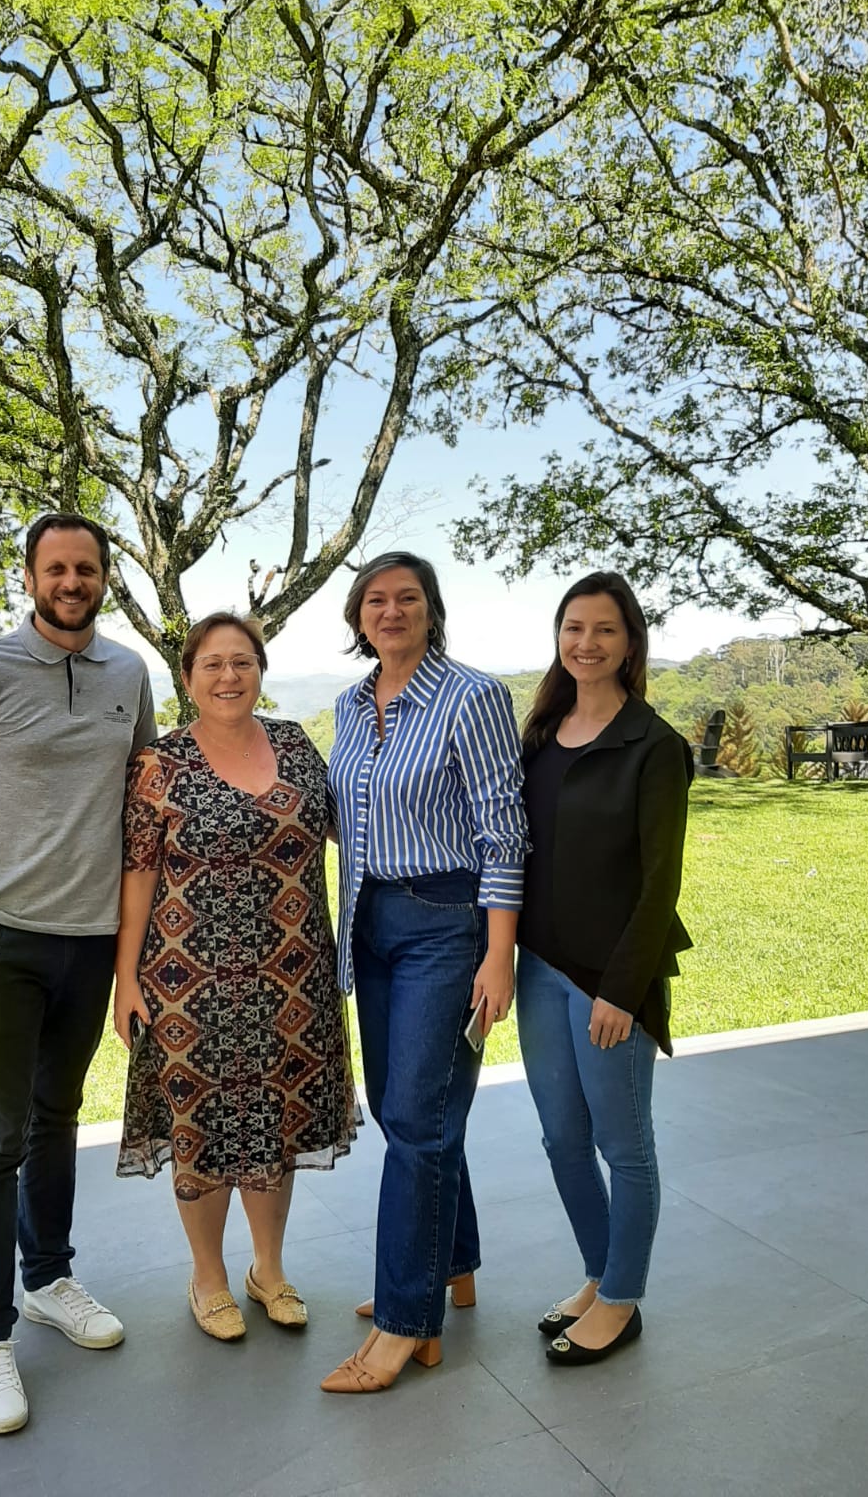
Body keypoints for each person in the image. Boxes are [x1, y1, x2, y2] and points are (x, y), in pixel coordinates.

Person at [0, 513, 156, 1434]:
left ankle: (50, 1277)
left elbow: (142, 801)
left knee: (58, 1118)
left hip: (92, 941)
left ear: (103, 577)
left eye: (86, 567)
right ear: (30, 578)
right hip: (5, 943)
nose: (71, 580)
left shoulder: (128, 674)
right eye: (55, 568)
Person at [112, 612, 358, 1341]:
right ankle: (209, 1276)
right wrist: (125, 980)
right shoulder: (160, 764)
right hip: (189, 981)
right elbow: (137, 877)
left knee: (275, 1122)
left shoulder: (294, 745)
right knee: (202, 1127)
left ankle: (269, 1269)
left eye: (242, 662)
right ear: (187, 678)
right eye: (212, 664)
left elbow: (351, 827)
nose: (229, 676)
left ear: (261, 670)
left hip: (293, 976)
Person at [320, 552, 528, 1393]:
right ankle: (453, 1260)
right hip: (370, 921)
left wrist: (499, 952)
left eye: (408, 598)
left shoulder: (473, 697)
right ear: (358, 617)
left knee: (415, 1118)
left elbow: (503, 832)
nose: (392, 611)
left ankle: (408, 1318)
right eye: (377, 600)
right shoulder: (348, 702)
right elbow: (351, 818)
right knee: (414, 1109)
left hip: (448, 924)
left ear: (433, 610)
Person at [515, 570, 693, 1367]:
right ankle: (598, 1274)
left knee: (624, 1145)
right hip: (538, 969)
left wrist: (622, 990)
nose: (586, 643)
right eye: (573, 628)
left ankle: (623, 1298)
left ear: (630, 644)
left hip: (609, 982)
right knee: (561, 1138)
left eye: (605, 630)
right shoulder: (542, 735)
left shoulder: (653, 747)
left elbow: (661, 884)